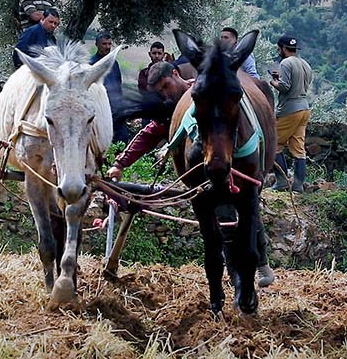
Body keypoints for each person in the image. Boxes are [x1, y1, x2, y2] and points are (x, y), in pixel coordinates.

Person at [107, 61, 276, 286]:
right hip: (206, 176)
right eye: (160, 92)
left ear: (176, 74)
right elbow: (150, 133)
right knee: (226, 219)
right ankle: (239, 279)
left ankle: (259, 265)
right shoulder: (175, 107)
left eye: (166, 86)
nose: (166, 94)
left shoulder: (207, 95)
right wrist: (120, 163)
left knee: (247, 210)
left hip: (233, 164)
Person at [269, 35, 313, 192]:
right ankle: (298, 185)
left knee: (274, 145)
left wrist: (274, 83)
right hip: (304, 108)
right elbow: (300, 84)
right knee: (298, 147)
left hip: (290, 109)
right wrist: (279, 79)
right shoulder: (305, 64)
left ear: (284, 48)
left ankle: (281, 182)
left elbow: (286, 87)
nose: (279, 52)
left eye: (279, 49)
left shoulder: (286, 62)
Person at [90, 32, 129, 143]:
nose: (107, 47)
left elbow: (118, 87)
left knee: (122, 142)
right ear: (97, 45)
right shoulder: (92, 65)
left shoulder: (114, 64)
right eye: (104, 44)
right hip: (102, 112)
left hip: (117, 111)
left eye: (109, 44)